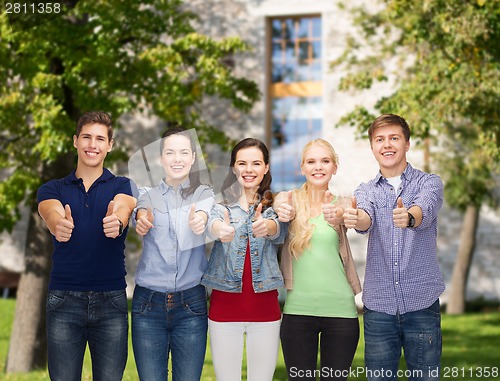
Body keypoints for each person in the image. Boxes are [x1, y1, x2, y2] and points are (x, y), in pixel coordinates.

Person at [343, 114, 445, 381]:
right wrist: (357, 218)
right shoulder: (365, 190)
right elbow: (365, 217)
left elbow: (426, 206)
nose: (386, 145)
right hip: (380, 308)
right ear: (372, 146)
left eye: (394, 138)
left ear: (407, 144)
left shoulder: (429, 182)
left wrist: (410, 217)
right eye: (380, 139)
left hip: (421, 303)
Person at [37, 111, 137, 381]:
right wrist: (58, 224)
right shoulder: (53, 188)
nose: (93, 144)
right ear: (75, 141)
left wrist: (117, 219)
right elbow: (50, 212)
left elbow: (124, 205)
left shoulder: (122, 185)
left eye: (100, 139)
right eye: (86, 137)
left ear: (110, 145)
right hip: (64, 302)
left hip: (111, 302)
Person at [131, 127, 215, 381]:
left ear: (192, 158)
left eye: (183, 152)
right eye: (170, 152)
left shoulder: (204, 193)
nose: (177, 159)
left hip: (191, 305)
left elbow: (204, 212)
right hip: (148, 306)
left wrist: (200, 221)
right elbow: (142, 211)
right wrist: (143, 219)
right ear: (161, 159)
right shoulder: (147, 194)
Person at [274, 138, 361, 381]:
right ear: (302, 168)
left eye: (325, 161)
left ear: (335, 167)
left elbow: (358, 217)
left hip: (341, 313)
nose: (318, 167)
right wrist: (283, 211)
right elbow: (279, 206)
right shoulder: (289, 199)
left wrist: (345, 215)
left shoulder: (343, 204)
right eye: (311, 161)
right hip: (298, 313)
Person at [200, 138, 286, 381]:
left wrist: (267, 226)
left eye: (256, 163)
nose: (249, 170)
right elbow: (211, 224)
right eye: (242, 163)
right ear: (233, 167)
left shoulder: (275, 206)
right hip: (224, 311)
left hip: (266, 312)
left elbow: (279, 229)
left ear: (266, 167)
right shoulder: (219, 205)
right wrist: (220, 230)